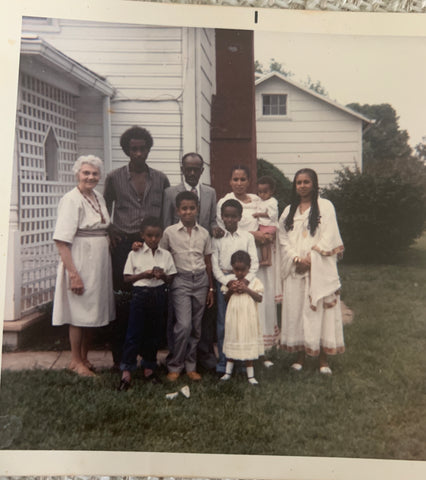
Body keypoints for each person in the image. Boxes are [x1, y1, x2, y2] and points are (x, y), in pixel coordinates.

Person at [103, 126, 170, 367]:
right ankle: (122, 359)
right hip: (123, 245)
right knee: (124, 301)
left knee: (151, 300)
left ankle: (148, 357)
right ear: (127, 150)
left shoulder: (161, 179)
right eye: (134, 149)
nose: (139, 153)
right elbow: (103, 207)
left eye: (143, 149)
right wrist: (110, 229)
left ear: (149, 149)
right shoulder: (114, 177)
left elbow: (165, 212)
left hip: (152, 245)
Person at [52, 155, 115, 377]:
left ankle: (85, 357)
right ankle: (75, 360)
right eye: (86, 172)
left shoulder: (98, 196)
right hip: (79, 259)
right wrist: (73, 275)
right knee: (78, 312)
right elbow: (61, 240)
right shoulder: (71, 199)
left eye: (94, 173)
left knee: (91, 312)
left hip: (98, 262)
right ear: (77, 173)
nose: (90, 177)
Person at [278, 168, 345, 375]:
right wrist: (296, 258)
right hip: (296, 269)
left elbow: (330, 235)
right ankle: (300, 356)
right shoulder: (290, 210)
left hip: (319, 269)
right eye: (298, 182)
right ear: (294, 185)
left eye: (307, 182)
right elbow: (283, 238)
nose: (302, 186)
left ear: (314, 184)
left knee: (320, 312)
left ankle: (323, 359)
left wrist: (312, 258)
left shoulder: (325, 206)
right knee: (297, 312)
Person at [162, 152, 220, 371]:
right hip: (179, 272)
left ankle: (196, 361)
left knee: (198, 323)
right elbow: (166, 227)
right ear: (183, 169)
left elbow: (212, 219)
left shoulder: (210, 193)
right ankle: (174, 360)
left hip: (200, 261)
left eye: (197, 169)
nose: (193, 172)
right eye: (189, 168)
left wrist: (215, 227)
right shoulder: (170, 193)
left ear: (202, 170)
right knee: (180, 322)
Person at [216, 165, 281, 359]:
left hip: (257, 259)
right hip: (236, 260)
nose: (239, 183)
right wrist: (256, 235)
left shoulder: (256, 199)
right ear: (230, 182)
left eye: (243, 179)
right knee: (240, 306)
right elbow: (226, 230)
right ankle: (239, 351)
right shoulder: (224, 202)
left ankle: (262, 349)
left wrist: (266, 235)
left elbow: (270, 219)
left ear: (249, 181)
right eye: (235, 179)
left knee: (259, 300)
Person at [118, 217, 176, 391]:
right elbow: (126, 278)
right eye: (149, 235)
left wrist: (162, 276)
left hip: (158, 295)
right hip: (140, 295)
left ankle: (149, 368)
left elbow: (171, 277)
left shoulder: (165, 254)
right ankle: (126, 372)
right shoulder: (134, 253)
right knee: (134, 334)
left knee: (153, 334)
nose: (153, 239)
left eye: (157, 236)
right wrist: (144, 275)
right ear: (142, 235)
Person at [211, 199, 259, 375]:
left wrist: (245, 282)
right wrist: (226, 282)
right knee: (224, 323)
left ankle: (241, 361)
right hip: (225, 283)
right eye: (226, 216)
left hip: (244, 284)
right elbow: (215, 264)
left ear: (239, 217)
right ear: (221, 217)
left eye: (233, 216)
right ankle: (224, 362)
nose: (229, 220)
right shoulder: (217, 238)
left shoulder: (247, 237)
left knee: (242, 323)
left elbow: (254, 263)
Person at [220, 250, 264, 385]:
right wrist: (231, 290)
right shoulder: (229, 281)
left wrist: (246, 289)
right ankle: (227, 372)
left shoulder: (254, 281)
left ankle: (250, 374)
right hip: (234, 317)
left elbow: (259, 298)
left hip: (247, 318)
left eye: (242, 270)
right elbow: (225, 298)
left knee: (247, 338)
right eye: (236, 269)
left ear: (248, 268)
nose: (239, 273)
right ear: (232, 268)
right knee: (233, 337)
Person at [253, 175, 279, 267]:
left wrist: (259, 214)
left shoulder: (272, 202)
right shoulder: (261, 200)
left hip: (270, 226)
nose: (262, 194)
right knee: (262, 242)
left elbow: (271, 215)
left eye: (265, 192)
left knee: (266, 241)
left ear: (271, 192)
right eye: (260, 192)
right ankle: (264, 259)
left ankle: (267, 259)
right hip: (263, 225)